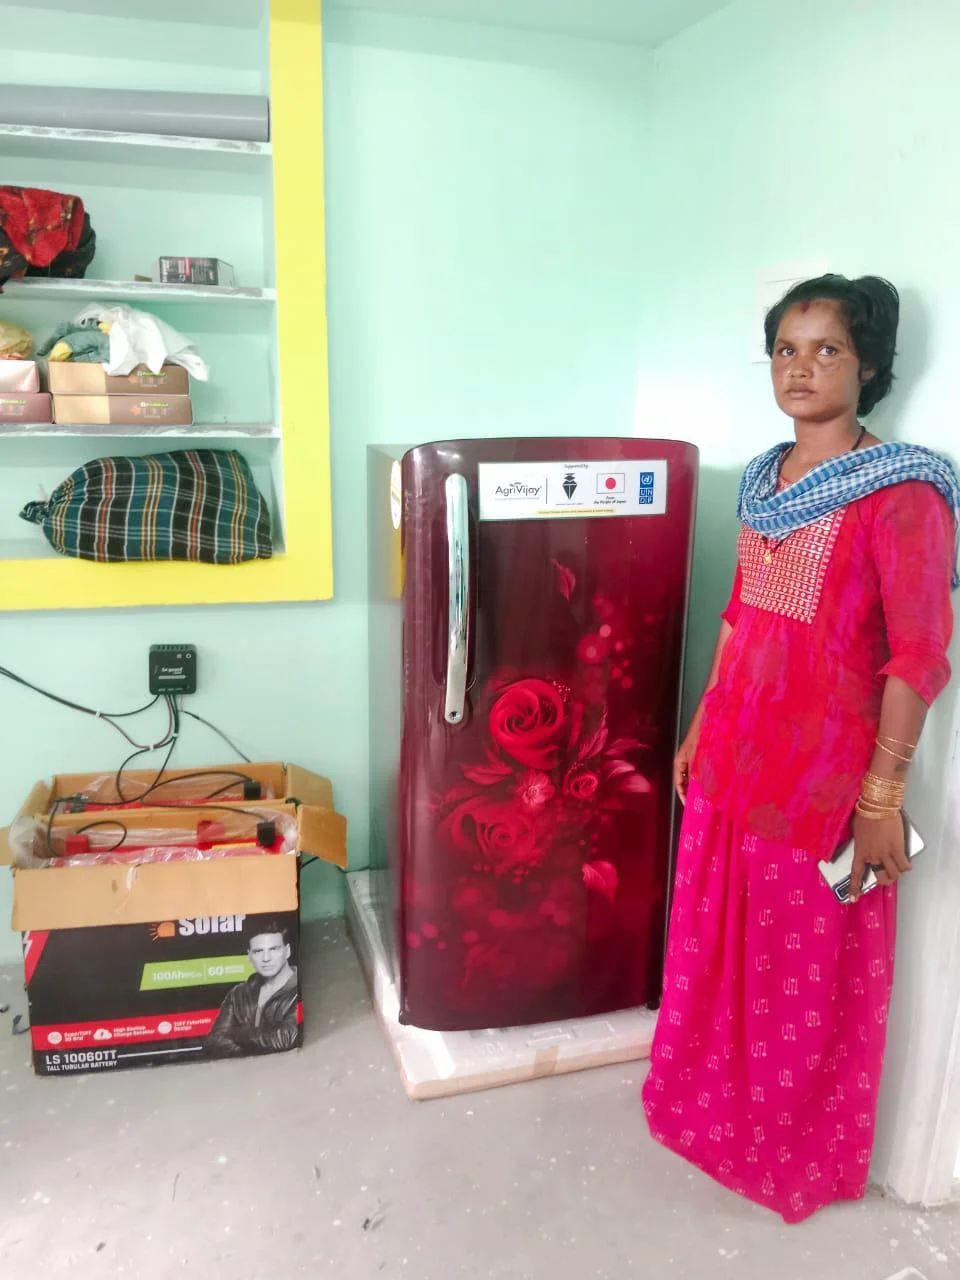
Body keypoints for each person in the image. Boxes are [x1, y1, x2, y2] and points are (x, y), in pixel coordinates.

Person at [642, 274, 960, 1223]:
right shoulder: (761, 479)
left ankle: (789, 1152)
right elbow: (740, 614)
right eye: (786, 349)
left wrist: (881, 799)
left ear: (871, 367)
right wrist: (701, 723)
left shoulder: (905, 492)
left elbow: (919, 655)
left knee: (800, 979)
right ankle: (704, 1114)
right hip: (734, 760)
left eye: (827, 350)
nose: (801, 368)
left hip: (821, 785)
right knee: (714, 952)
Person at [205, 918, 300, 1058]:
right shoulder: (238, 994)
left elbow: (285, 1038)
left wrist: (237, 1034)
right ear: (249, 956)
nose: (266, 958)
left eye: (273, 949)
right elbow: (213, 1041)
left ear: (287, 951)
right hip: (244, 1069)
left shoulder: (299, 989)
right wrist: (248, 1056)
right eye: (258, 951)